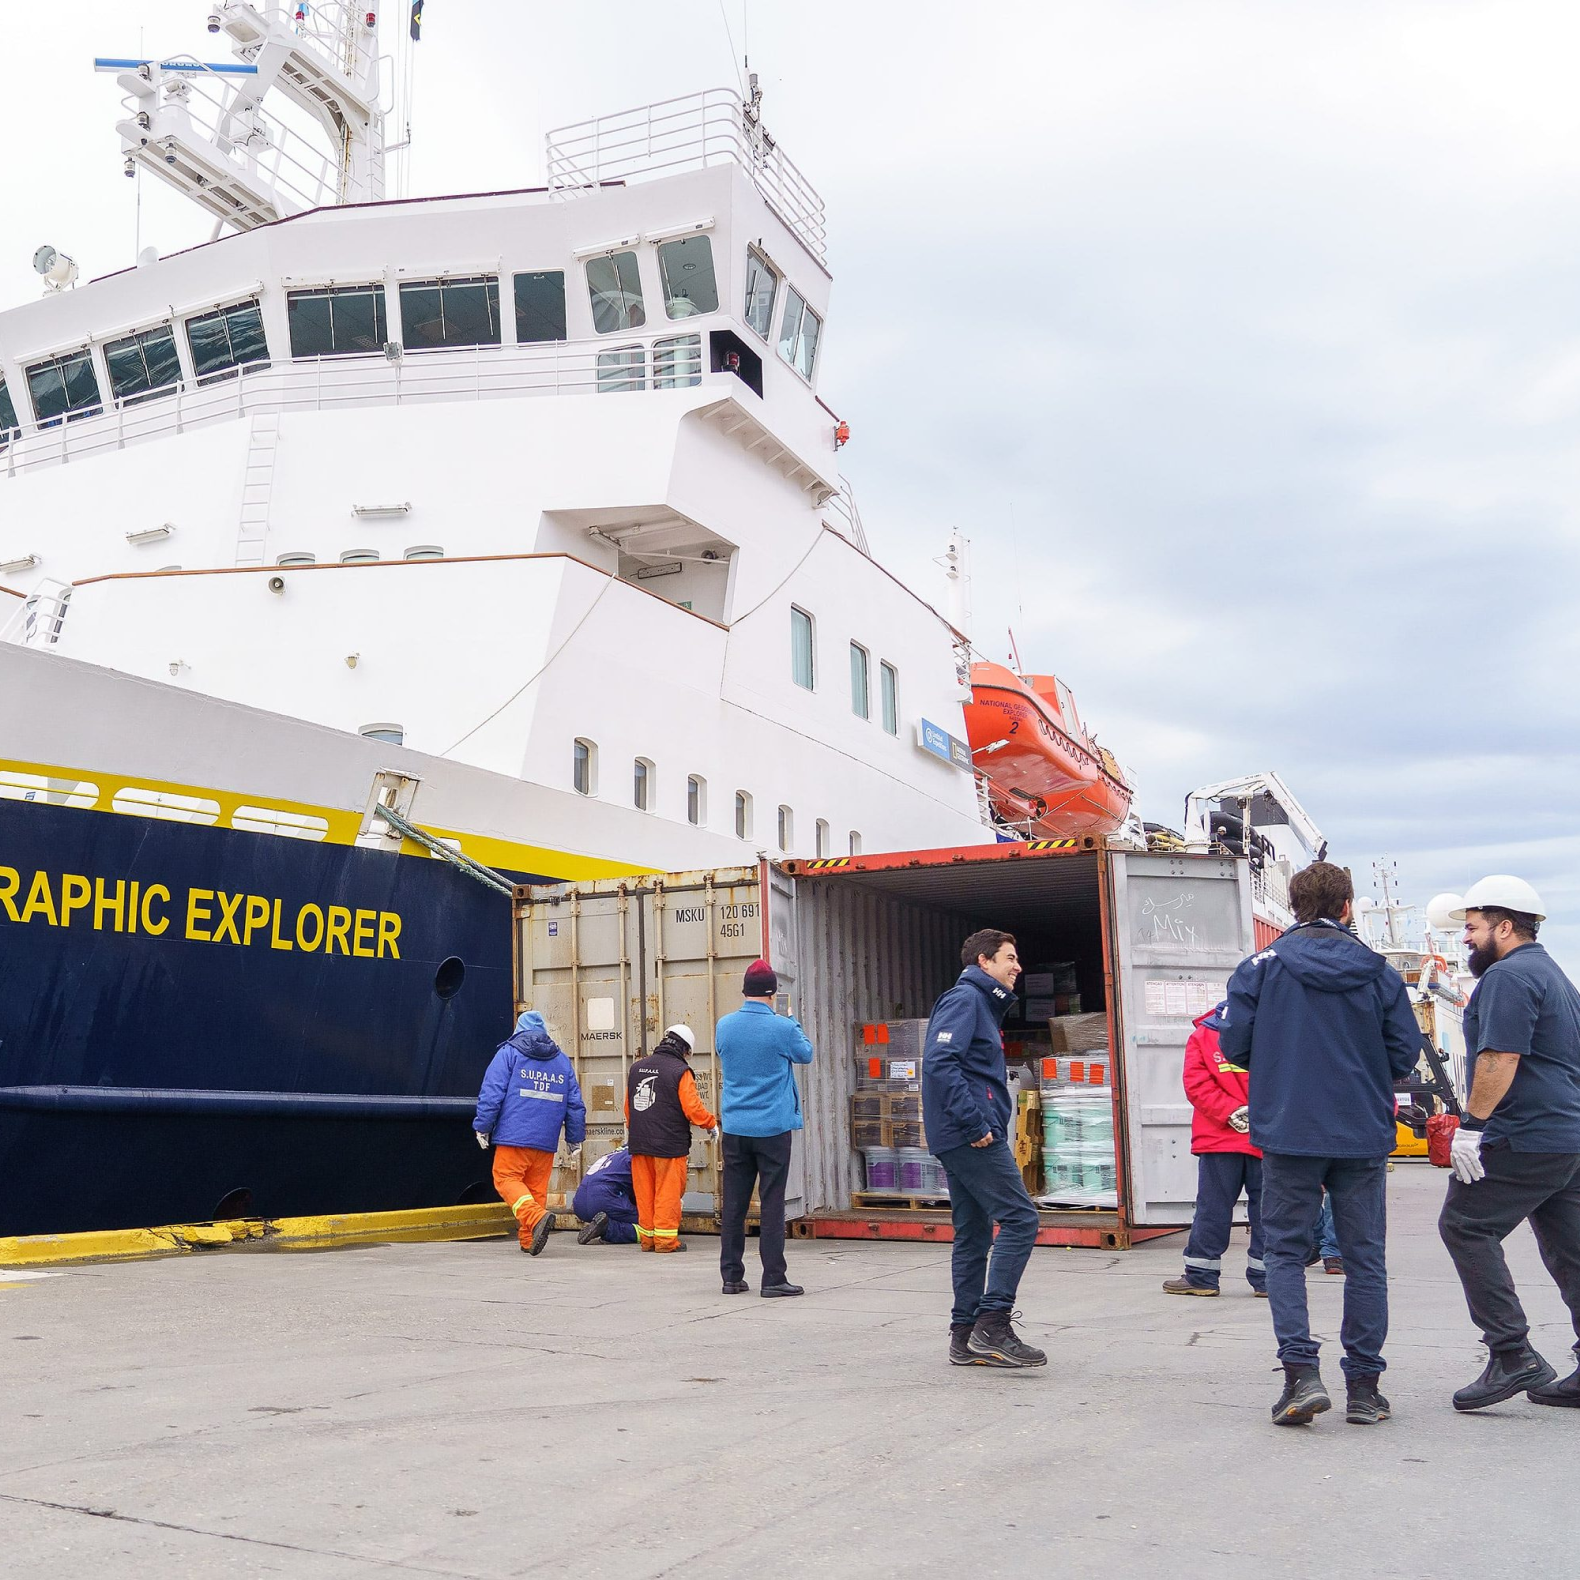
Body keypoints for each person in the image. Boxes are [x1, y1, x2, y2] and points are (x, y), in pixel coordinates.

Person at [1221, 861, 1419, 1427]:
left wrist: (1283, 1065)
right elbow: (1403, 1053)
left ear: (1293, 905)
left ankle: (1301, 1377)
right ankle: (1364, 1388)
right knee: (1364, 1258)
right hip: (1360, 1132)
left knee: (1284, 1252)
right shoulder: (1379, 972)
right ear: (1349, 907)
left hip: (1289, 1130)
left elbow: (1234, 1045)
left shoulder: (1260, 968)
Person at [1437, 876, 1580, 1411]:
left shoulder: (1508, 978)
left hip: (1524, 1135)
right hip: (1565, 1138)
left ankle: (1512, 1353)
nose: (1465, 940)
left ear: (1505, 926)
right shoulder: (1558, 978)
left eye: (1472, 929)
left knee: (1465, 1225)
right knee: (1572, 1251)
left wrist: (1472, 1128)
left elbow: (1499, 1056)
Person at [923, 928, 1045, 1369]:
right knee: (1021, 1219)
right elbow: (940, 1062)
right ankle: (992, 1324)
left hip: (963, 1132)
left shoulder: (980, 1004)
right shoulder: (966, 1000)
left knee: (973, 1233)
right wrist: (974, 1121)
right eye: (1009, 958)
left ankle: (964, 1334)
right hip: (971, 1134)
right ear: (983, 962)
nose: (1017, 966)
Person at [716, 959, 815, 1297]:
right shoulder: (781, 1027)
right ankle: (773, 1278)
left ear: (745, 991)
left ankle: (731, 1277)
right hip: (772, 1128)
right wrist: (791, 1020)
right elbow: (805, 1054)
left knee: (734, 1204)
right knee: (772, 1203)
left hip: (735, 1128)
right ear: (773, 994)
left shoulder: (724, 1025)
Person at [1163, 1002, 1266, 1299]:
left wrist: (1231, 1112)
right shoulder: (1276, 1030)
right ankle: (1267, 1278)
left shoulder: (1204, 1035)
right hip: (1266, 1136)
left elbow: (1196, 1085)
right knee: (1268, 1210)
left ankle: (1202, 1276)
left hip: (1220, 1137)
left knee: (1213, 1208)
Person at [473, 1010, 586, 1256]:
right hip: (545, 1141)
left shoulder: (509, 1053)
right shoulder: (561, 1060)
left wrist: (483, 1126)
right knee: (535, 1190)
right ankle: (528, 1239)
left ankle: (535, 1218)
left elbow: (492, 1092)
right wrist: (574, 1138)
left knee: (506, 1179)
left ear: (519, 1030)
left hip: (514, 1136)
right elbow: (575, 1103)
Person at [626, 1025, 718, 1254]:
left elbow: (628, 1110)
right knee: (668, 1193)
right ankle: (666, 1242)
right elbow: (693, 1108)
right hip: (669, 1145)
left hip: (639, 1143)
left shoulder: (637, 1068)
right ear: (684, 1048)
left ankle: (648, 1240)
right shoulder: (680, 1071)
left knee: (645, 1193)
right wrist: (710, 1123)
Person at [572, 1146, 639, 1246]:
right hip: (605, 1198)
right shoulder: (641, 1155)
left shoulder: (618, 1151)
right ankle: (608, 1229)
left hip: (579, 1203)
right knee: (654, 1225)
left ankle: (602, 1224)